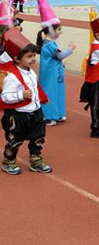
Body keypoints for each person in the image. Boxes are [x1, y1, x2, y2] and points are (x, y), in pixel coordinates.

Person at [0, 27, 52, 175]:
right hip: (18, 115)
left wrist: (42, 99)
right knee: (14, 140)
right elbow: (5, 97)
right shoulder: (12, 76)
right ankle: (8, 161)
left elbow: (36, 88)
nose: (33, 59)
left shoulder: (31, 72)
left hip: (35, 113)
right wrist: (20, 95)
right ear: (17, 58)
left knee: (38, 138)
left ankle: (36, 160)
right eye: (29, 56)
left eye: (34, 55)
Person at [33, 0, 75, 125]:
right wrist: (70, 50)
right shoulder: (49, 44)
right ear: (50, 30)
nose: (60, 32)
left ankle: (58, 113)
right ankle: (50, 115)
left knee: (58, 93)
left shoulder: (50, 43)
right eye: (58, 29)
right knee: (50, 93)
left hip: (55, 74)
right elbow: (59, 55)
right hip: (50, 75)